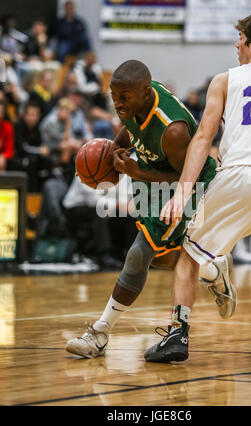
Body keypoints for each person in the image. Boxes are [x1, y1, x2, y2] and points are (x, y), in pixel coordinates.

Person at [144, 13, 251, 363]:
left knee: (189, 256)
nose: (236, 44)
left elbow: (203, 138)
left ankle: (177, 336)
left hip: (239, 175)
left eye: (241, 38)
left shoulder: (226, 80)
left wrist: (183, 192)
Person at [66, 60, 235, 358]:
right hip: (151, 172)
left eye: (123, 97)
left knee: (139, 254)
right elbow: (130, 128)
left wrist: (135, 171)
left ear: (145, 93)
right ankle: (212, 270)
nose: (117, 103)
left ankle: (100, 333)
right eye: (113, 96)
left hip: (189, 184)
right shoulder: (132, 100)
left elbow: (186, 177)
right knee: (165, 257)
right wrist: (113, 151)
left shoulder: (173, 130)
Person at [0, 100, 14, 170]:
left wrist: (3, 156)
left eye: (1, 112)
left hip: (2, 160)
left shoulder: (8, 127)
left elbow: (10, 150)